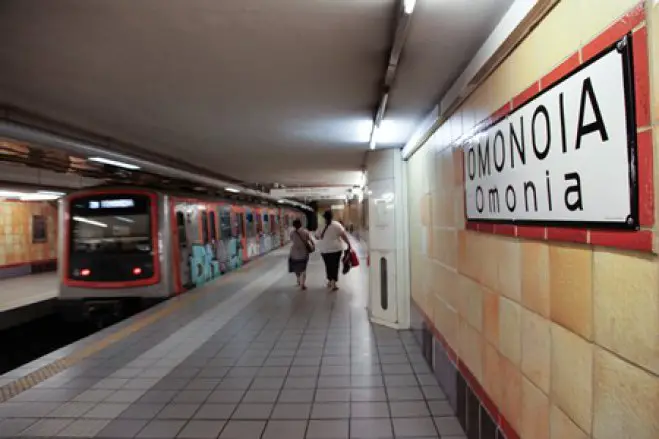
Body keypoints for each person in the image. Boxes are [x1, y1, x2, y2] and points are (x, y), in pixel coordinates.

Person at [316, 210, 351, 291]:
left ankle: (330, 280)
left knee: (328, 265)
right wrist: (348, 244)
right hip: (336, 249)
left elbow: (317, 237)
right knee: (335, 265)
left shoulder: (321, 226)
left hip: (324, 249)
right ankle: (333, 283)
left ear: (324, 217)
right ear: (332, 216)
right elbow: (343, 235)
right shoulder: (337, 225)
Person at [289, 219, 313, 290]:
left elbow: (292, 240)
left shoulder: (291, 233)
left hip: (294, 253)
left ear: (293, 225)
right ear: (300, 224)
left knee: (296, 267)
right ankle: (303, 284)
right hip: (304, 252)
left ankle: (298, 279)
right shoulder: (305, 232)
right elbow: (310, 240)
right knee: (303, 269)